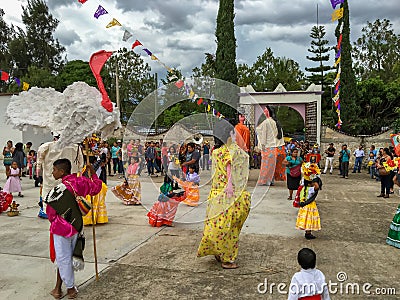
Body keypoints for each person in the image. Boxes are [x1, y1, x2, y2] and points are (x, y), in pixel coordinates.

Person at [45, 158, 102, 299]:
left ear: (62, 171)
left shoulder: (57, 190)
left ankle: (69, 289)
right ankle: (59, 287)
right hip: (76, 225)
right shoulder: (80, 182)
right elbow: (96, 187)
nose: (53, 173)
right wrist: (93, 173)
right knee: (69, 256)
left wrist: (55, 221)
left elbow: (50, 213)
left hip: (60, 228)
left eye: (54, 170)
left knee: (63, 258)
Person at [197, 120, 251, 269]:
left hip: (216, 195)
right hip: (231, 194)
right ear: (229, 134)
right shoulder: (232, 150)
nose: (236, 135)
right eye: (234, 132)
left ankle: (218, 251)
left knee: (217, 225)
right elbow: (230, 166)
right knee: (231, 227)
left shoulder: (215, 151)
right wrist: (229, 185)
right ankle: (227, 259)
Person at [255, 106, 285, 186]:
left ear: (268, 112)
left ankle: (265, 181)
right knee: (272, 167)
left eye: (265, 110)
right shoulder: (276, 122)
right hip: (278, 148)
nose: (264, 111)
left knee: (266, 166)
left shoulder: (266, 122)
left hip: (269, 148)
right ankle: (271, 181)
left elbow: (263, 136)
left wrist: (262, 146)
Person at [295, 162, 322, 240]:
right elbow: (317, 187)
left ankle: (308, 232)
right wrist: (315, 177)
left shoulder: (303, 188)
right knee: (309, 219)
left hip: (304, 206)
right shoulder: (311, 189)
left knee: (306, 219)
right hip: (310, 206)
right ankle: (308, 233)